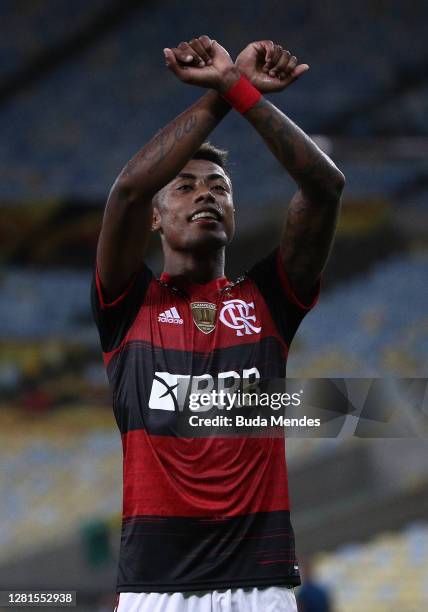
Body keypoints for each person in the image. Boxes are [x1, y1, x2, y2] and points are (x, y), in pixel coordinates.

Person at [91, 35, 345, 612]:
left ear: (233, 211)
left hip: (263, 586)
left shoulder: (268, 299)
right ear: (156, 219)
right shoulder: (127, 305)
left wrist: (239, 86)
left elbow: (326, 188)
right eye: (185, 186)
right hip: (156, 591)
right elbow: (127, 192)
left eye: (219, 187)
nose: (205, 194)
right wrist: (219, 98)